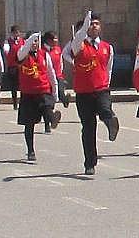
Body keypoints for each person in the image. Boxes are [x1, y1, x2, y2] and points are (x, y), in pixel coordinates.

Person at [71, 11, 119, 175]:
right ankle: (89, 162)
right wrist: (85, 21)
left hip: (101, 89)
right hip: (83, 92)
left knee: (106, 110)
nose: (93, 26)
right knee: (88, 128)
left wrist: (106, 83)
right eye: (91, 23)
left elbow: (109, 68)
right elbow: (78, 37)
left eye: (96, 23)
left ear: (100, 27)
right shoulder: (78, 45)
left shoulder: (107, 47)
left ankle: (111, 124)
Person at [15, 32, 61, 161]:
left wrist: (55, 92)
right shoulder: (22, 55)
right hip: (28, 93)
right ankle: (30, 150)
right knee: (29, 124)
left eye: (36, 41)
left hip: (43, 90)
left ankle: (52, 120)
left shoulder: (44, 55)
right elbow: (22, 52)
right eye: (32, 42)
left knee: (47, 107)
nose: (34, 44)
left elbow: (51, 74)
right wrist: (29, 40)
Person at [43, 31, 70, 110]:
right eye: (55, 38)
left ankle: (65, 99)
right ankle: (51, 112)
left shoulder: (58, 49)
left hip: (58, 75)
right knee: (50, 96)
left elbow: (61, 62)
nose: (57, 40)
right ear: (48, 40)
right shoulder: (42, 51)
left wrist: (61, 72)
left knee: (60, 91)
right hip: (48, 77)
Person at [2, 26, 24, 110]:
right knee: (14, 86)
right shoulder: (8, 41)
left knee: (22, 85)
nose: (16, 34)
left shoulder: (22, 41)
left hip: (21, 66)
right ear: (12, 33)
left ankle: (22, 102)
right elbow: (6, 50)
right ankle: (15, 103)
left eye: (17, 32)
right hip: (12, 66)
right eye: (15, 32)